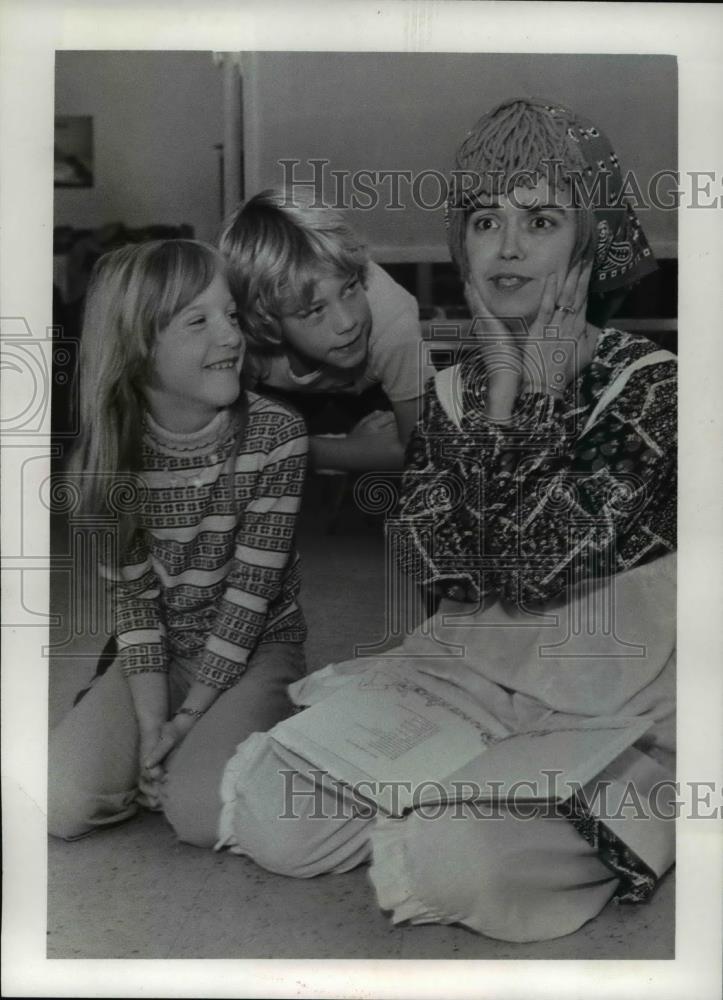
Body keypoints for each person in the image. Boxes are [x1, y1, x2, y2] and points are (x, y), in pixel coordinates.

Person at [215, 98, 677, 943]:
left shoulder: (652, 386)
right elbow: (450, 571)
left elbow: (538, 561)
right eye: (482, 220)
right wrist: (497, 397)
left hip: (614, 694)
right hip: (469, 672)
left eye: (539, 220)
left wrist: (526, 395)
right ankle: (460, 782)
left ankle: (606, 795)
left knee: (454, 863)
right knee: (270, 815)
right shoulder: (455, 390)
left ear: (588, 241)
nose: (504, 246)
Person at [48, 239, 308, 848]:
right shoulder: (107, 458)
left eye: (231, 314)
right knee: (61, 804)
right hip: (158, 654)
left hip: (258, 646)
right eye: (199, 321)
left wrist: (186, 721)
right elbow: (135, 610)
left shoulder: (277, 434)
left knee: (194, 814)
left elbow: (249, 602)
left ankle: (281, 718)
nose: (230, 336)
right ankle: (138, 733)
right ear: (139, 351)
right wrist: (149, 727)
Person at [219, 189, 435, 472]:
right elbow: (223, 443)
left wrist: (281, 450)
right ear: (266, 320)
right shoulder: (238, 336)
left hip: (370, 389)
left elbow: (421, 451)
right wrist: (338, 450)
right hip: (282, 395)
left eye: (349, 288)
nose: (347, 322)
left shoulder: (393, 322)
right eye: (314, 310)